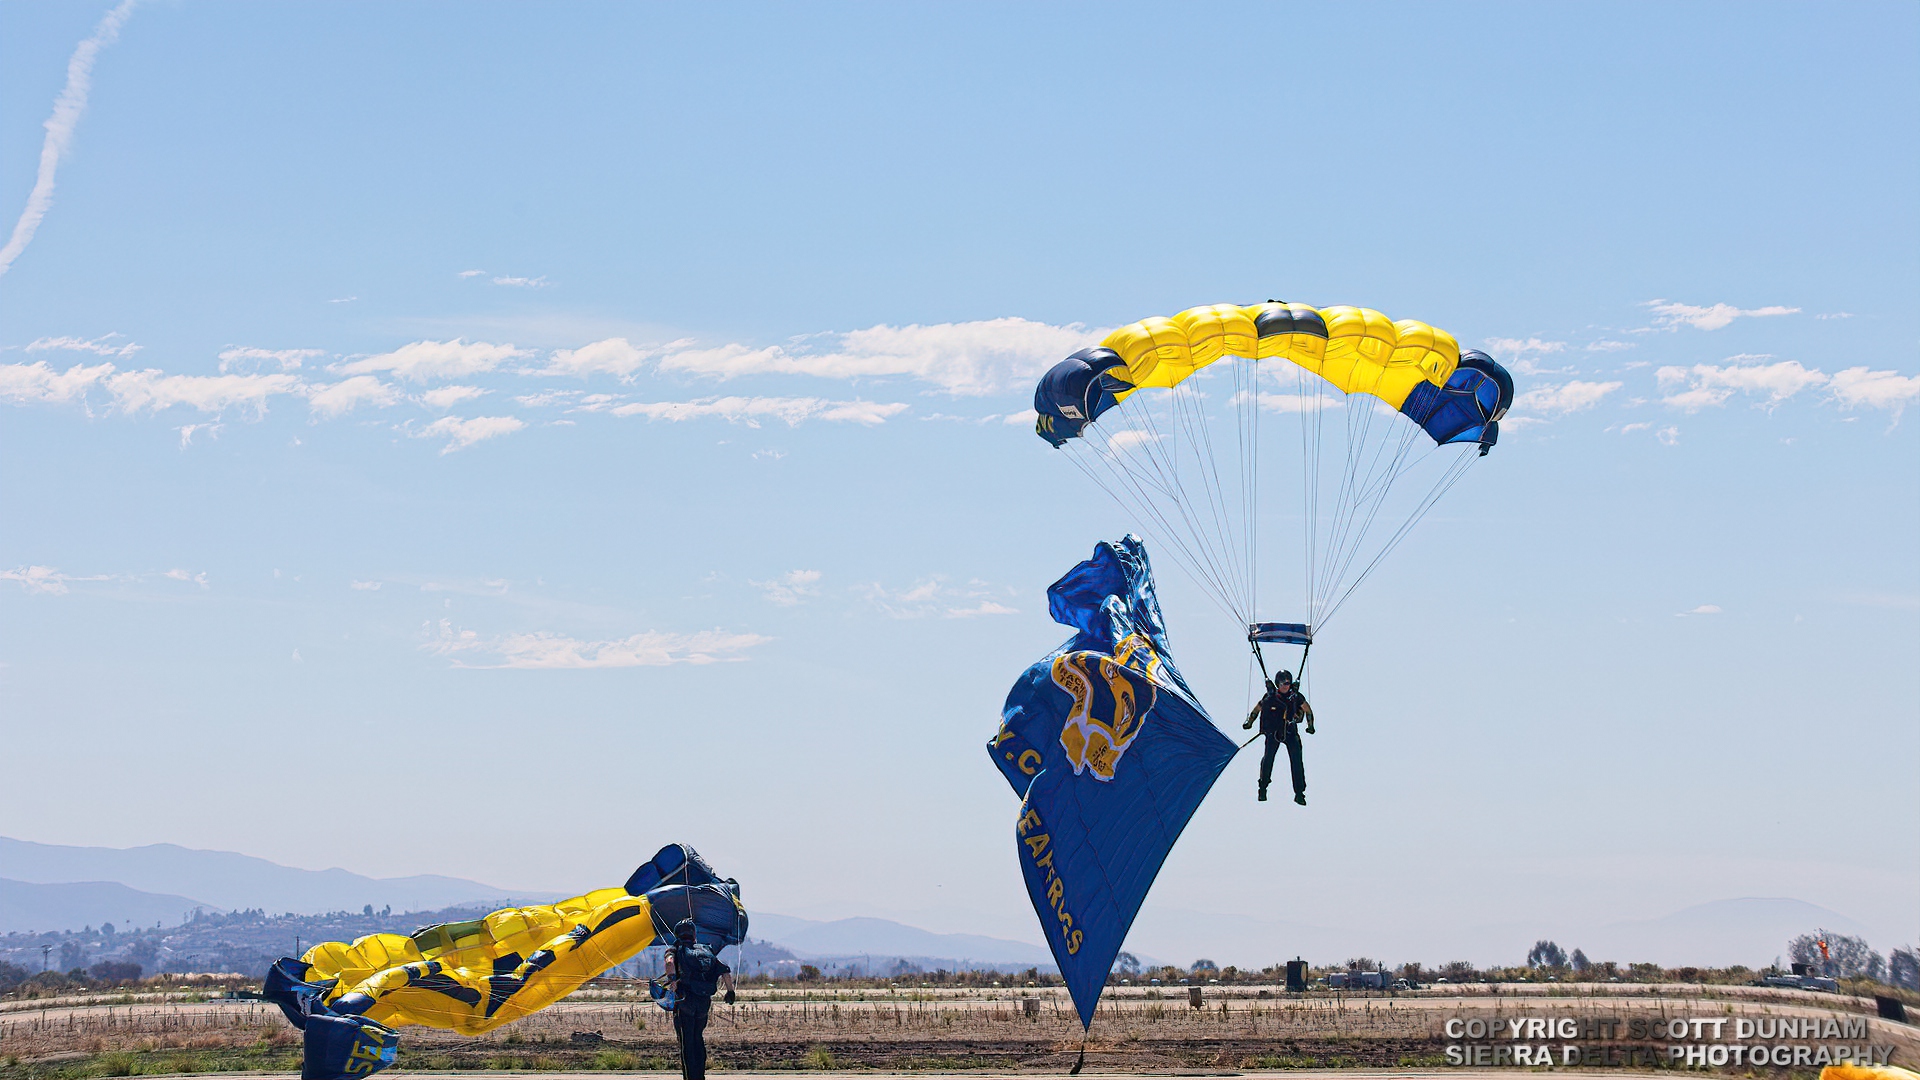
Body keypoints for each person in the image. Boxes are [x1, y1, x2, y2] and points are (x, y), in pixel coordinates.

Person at [663, 918, 735, 1080]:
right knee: (698, 1037)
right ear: (694, 934)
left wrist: (672, 980)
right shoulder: (705, 950)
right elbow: (725, 971)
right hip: (703, 1002)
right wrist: (730, 992)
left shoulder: (674, 949)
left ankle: (690, 1077)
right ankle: (700, 1076)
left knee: (686, 1041)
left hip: (685, 1001)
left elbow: (669, 963)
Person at [1243, 670, 1314, 805]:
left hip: (1290, 731)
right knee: (1268, 758)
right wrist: (1249, 722)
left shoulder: (1295, 697)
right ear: (1277, 684)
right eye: (1282, 683)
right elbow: (1257, 709)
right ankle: (1263, 787)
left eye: (1287, 683)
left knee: (1297, 760)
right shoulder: (1270, 697)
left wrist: (1310, 725)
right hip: (1274, 733)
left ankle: (1299, 793)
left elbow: (1308, 710)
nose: (1285, 686)